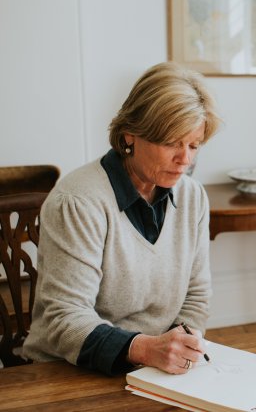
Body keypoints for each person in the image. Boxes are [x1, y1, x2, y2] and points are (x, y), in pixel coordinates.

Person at [23, 62, 221, 375]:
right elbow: (65, 318)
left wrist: (179, 348)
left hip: (151, 372)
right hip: (65, 372)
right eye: (171, 142)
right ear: (130, 136)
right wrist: (146, 349)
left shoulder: (193, 197)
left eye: (194, 145)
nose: (185, 160)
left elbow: (196, 297)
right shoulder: (78, 202)